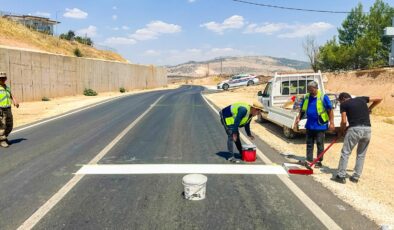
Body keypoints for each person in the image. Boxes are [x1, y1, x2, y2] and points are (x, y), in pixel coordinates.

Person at [333, 92, 382, 184]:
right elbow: (379, 98)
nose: (340, 103)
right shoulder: (361, 99)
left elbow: (344, 121)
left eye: (339, 101)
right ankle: (355, 177)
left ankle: (341, 175)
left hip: (354, 129)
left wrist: (341, 131)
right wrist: (369, 109)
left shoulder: (344, 104)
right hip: (367, 129)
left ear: (343, 99)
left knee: (346, 152)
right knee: (361, 154)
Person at [295, 81, 334, 167]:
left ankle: (319, 161)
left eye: (311, 90)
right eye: (308, 90)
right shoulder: (307, 97)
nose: (309, 91)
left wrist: (331, 123)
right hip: (310, 125)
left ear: (316, 88)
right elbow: (303, 109)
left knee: (320, 144)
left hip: (320, 125)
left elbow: (330, 110)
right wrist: (298, 118)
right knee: (309, 144)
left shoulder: (323, 97)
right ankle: (309, 160)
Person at [0, 72, 19, 148]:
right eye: (1, 78)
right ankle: (2, 140)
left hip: (8, 108)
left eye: (4, 78)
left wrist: (15, 101)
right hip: (1, 109)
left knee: (10, 125)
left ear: (6, 78)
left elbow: (11, 95)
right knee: (2, 125)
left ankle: (3, 137)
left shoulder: (7, 87)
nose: (2, 79)